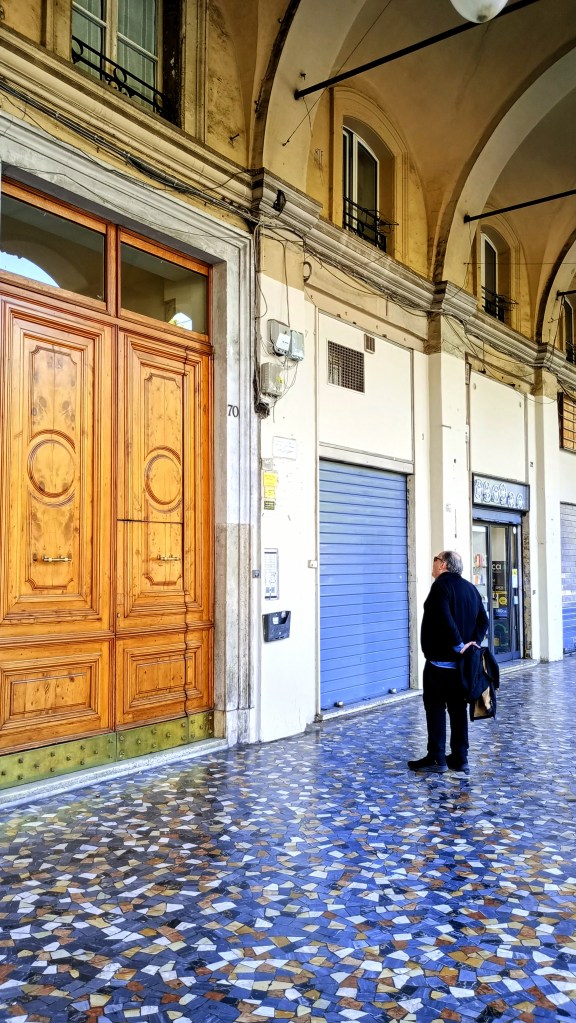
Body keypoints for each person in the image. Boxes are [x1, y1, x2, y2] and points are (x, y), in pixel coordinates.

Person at [408, 550, 489, 774]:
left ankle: (437, 758)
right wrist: (472, 643)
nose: (432, 565)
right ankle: (460, 757)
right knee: (457, 708)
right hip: (462, 667)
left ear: (443, 564)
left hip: (439, 663)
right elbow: (484, 620)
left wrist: (458, 644)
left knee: (434, 707)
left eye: (434, 560)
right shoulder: (470, 588)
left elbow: (444, 617)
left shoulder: (440, 587)